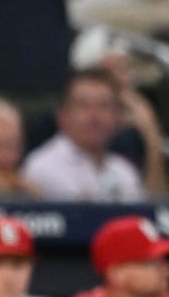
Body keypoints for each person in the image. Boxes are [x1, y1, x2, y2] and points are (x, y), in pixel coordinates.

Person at [21, 67, 157, 201]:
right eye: (83, 106)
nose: (94, 116)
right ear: (63, 116)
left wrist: (150, 132)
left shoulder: (124, 171)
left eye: (104, 106)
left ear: (118, 116)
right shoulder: (42, 167)